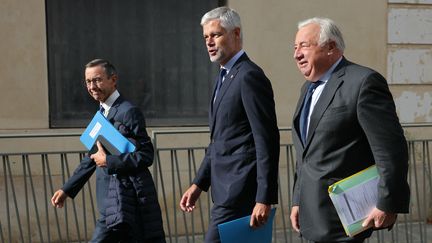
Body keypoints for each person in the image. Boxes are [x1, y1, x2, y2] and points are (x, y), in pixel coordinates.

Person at [290, 17, 410, 242]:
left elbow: (390, 149)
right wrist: (298, 200)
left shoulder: (363, 82)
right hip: (311, 217)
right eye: (295, 47)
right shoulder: (307, 89)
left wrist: (388, 202)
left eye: (304, 46)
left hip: (345, 220)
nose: (296, 54)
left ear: (331, 47)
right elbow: (304, 154)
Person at [179, 6, 280, 243]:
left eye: (216, 35)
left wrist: (264, 197)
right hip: (223, 189)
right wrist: (198, 184)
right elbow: (220, 140)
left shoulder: (248, 76)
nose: (209, 42)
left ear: (236, 34)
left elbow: (266, 139)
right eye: (206, 37)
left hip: (241, 191)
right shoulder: (224, 76)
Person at [51, 59, 165, 243]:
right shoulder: (101, 113)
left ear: (113, 79)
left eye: (97, 80)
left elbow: (145, 155)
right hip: (110, 203)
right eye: (88, 82)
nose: (92, 86)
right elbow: (92, 157)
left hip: (127, 200)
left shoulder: (129, 112)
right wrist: (67, 189)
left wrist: (109, 162)